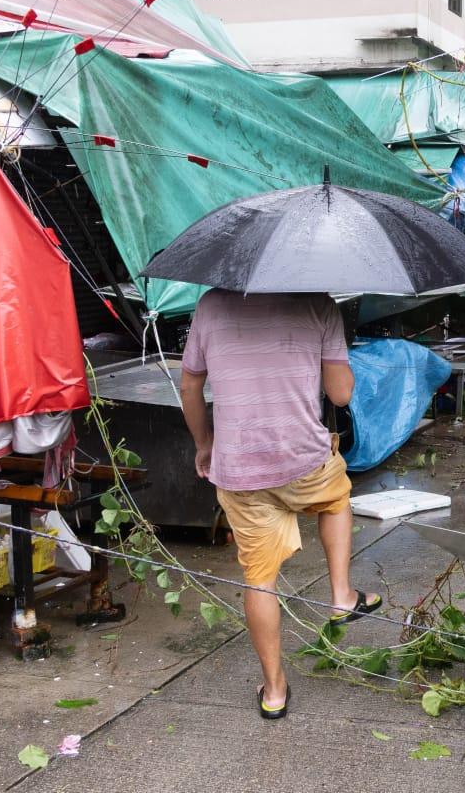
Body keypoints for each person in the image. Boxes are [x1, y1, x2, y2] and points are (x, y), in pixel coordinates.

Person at [179, 289, 380, 720]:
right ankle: (342, 594)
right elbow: (341, 395)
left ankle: (274, 690)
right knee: (336, 498)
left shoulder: (211, 303)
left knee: (259, 579)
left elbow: (190, 384)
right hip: (303, 459)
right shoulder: (319, 302)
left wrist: (203, 445)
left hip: (240, 468)